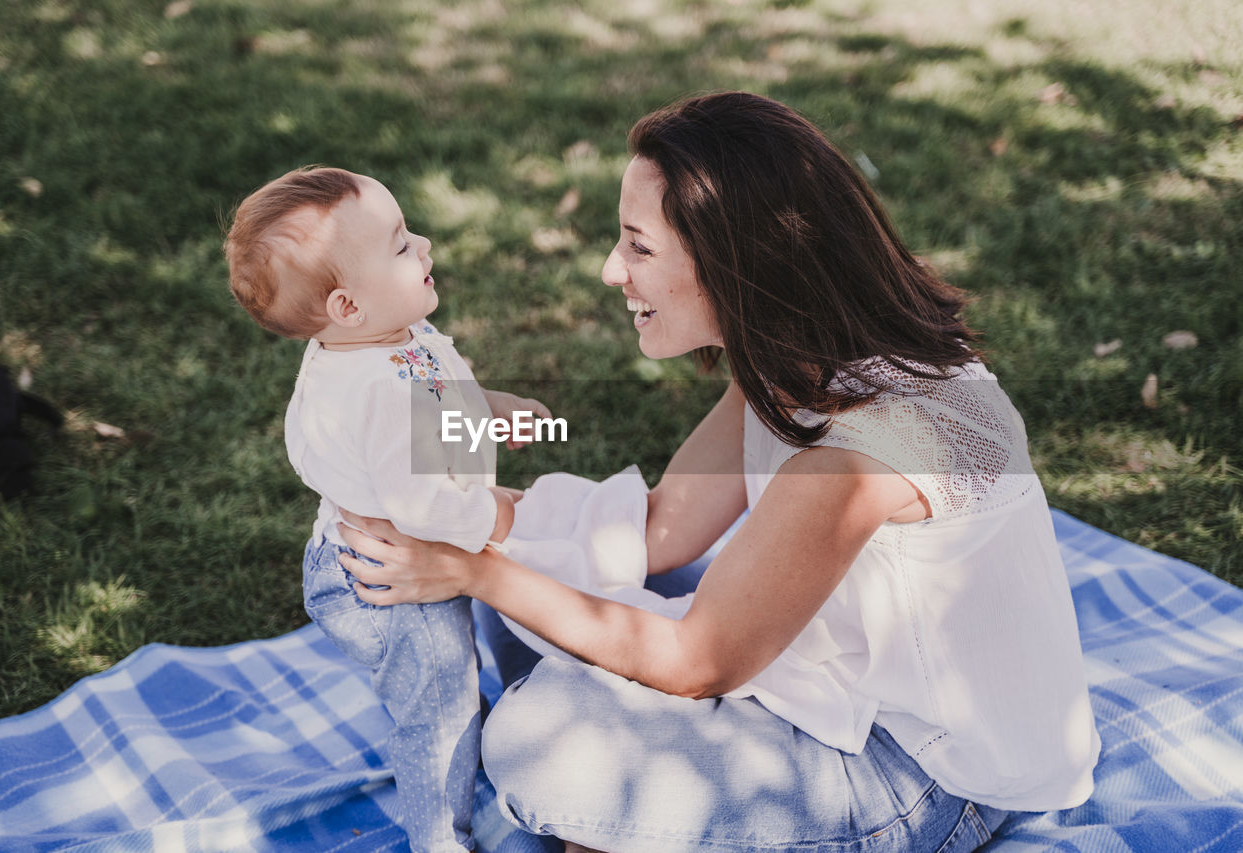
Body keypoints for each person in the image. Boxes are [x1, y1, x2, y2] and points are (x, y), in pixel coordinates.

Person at [336, 92, 1102, 853]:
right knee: (547, 607)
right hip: (827, 681)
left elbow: (698, 661)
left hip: (927, 777)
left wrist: (470, 570)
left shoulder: (858, 458)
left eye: (638, 246)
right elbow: (664, 524)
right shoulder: (798, 356)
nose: (611, 271)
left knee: (534, 739)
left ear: (735, 261)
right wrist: (473, 514)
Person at [223, 166, 550, 853]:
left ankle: (528, 711)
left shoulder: (389, 338)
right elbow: (422, 503)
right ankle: (440, 838)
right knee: (437, 709)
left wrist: (494, 409)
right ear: (347, 305)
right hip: (387, 581)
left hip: (406, 548)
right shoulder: (375, 391)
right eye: (402, 245)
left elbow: (438, 389)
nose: (426, 245)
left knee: (510, 614)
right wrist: (502, 513)